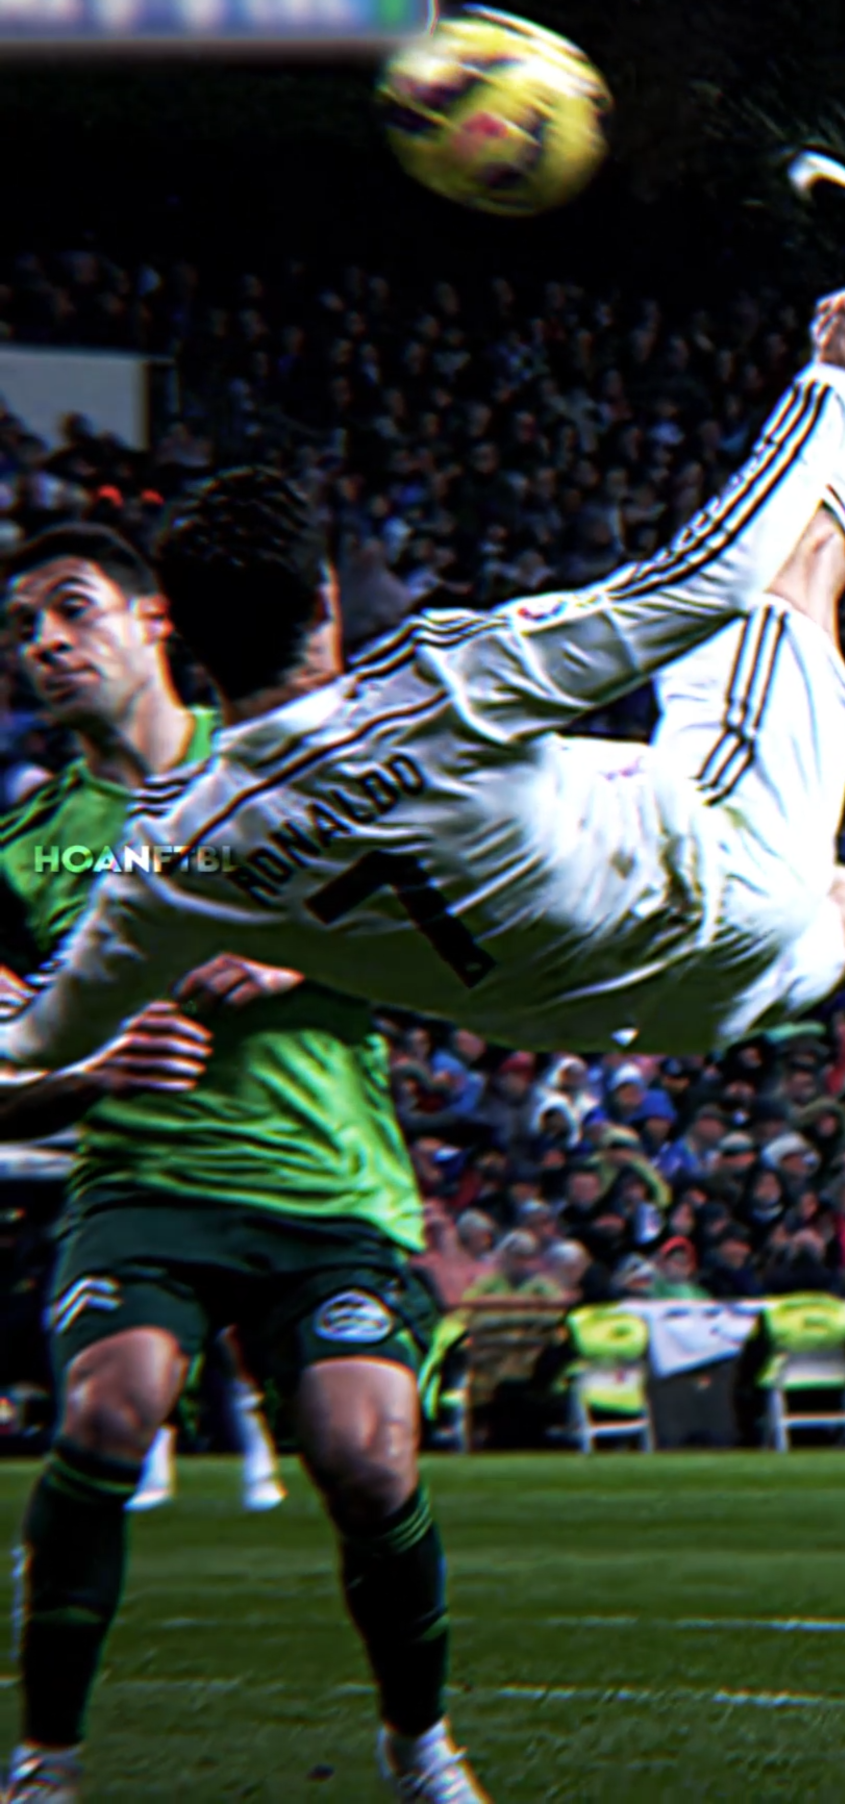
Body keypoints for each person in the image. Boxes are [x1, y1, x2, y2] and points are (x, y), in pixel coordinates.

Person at [0, 190, 845, 1182]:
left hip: (631, 1012)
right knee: (792, 575)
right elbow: (700, 581)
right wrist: (827, 374)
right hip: (708, 887)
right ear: (326, 601)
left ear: (189, 646)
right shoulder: (437, 683)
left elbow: (37, 1041)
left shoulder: (172, 853)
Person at [0, 526, 483, 1804]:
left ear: (158, 621)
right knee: (111, 1409)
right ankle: (44, 1761)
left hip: (326, 1184)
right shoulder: (30, 848)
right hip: (143, 1190)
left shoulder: (289, 768)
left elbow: (444, 925)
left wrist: (302, 954)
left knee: (368, 1454)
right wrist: (88, 1073)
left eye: (72, 609)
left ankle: (417, 1741)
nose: (44, 641)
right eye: (22, 626)